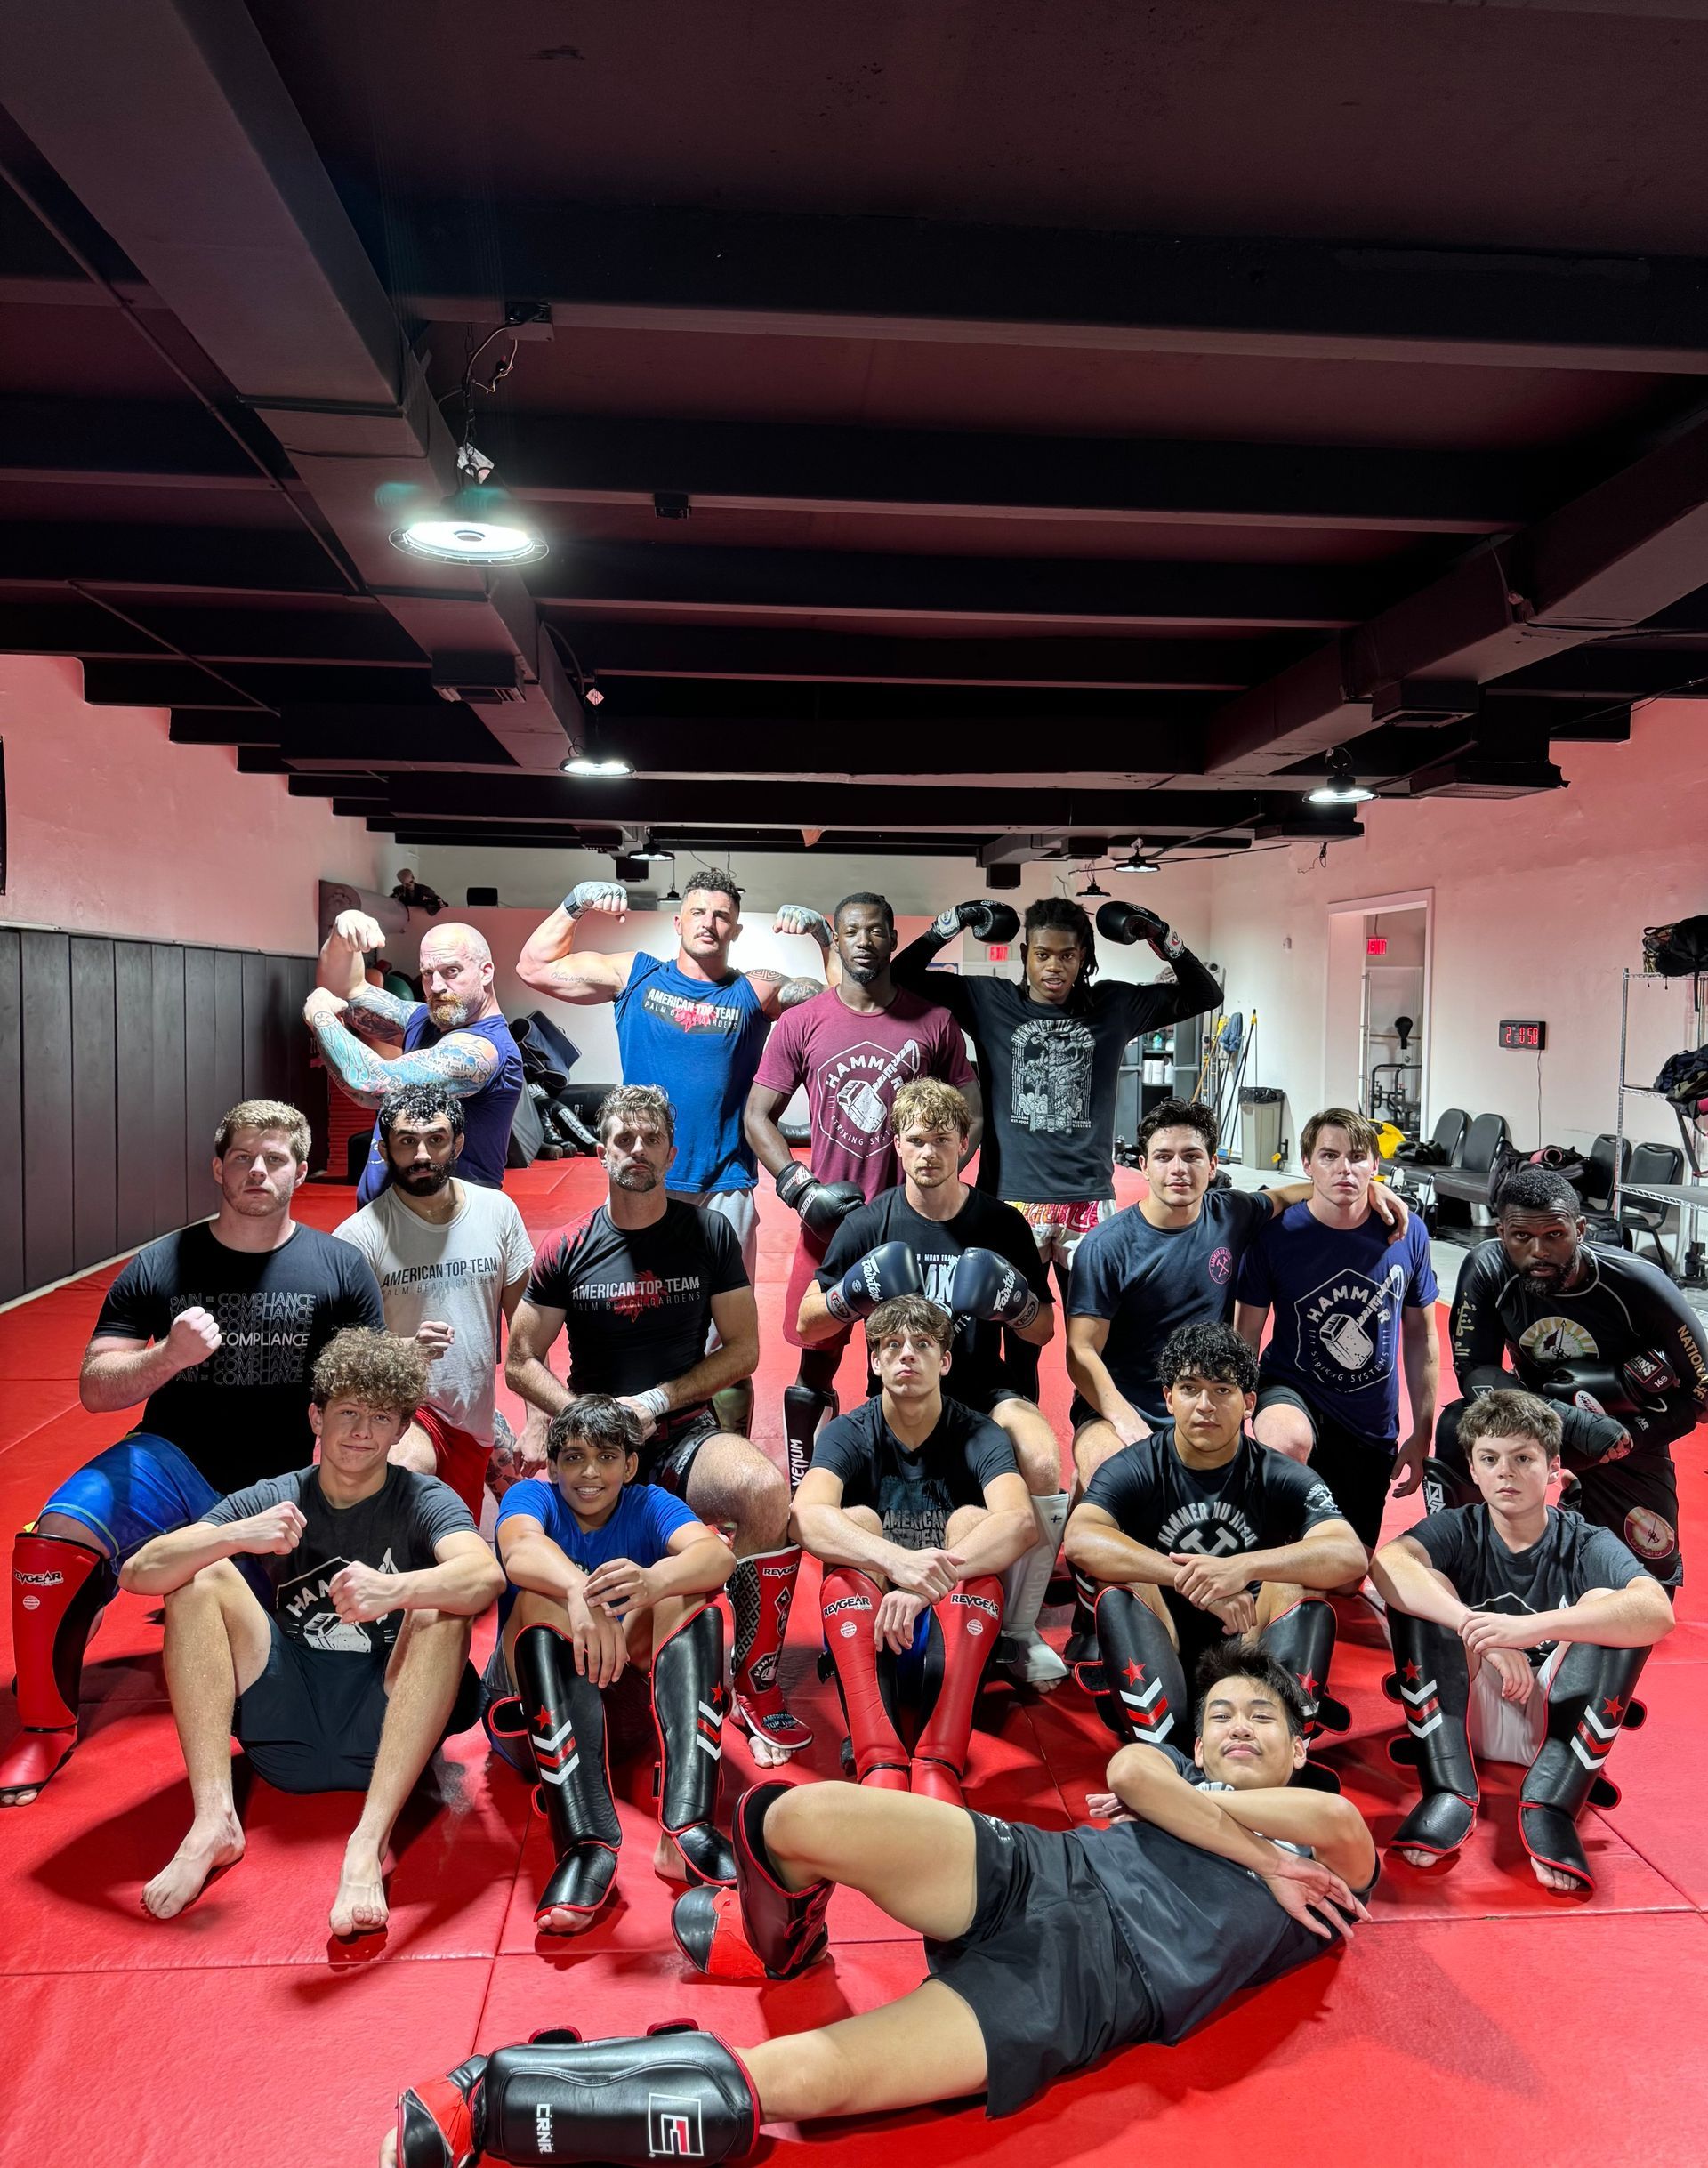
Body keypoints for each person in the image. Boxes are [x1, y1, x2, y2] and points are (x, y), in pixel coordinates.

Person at [387, 1648, 1375, 2166]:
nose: (1239, 1727)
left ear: (1298, 1745)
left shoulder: (1330, 1834)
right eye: (1223, 1714)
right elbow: (1128, 1765)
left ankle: (501, 2097)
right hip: (1043, 1868)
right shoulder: (1183, 1786)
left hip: (1087, 1990)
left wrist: (1226, 1827)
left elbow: (1298, 1816)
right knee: (792, 1814)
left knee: (784, 2090)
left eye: (1263, 1718)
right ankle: (773, 1934)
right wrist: (1240, 1844)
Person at [0, 1099, 383, 1807]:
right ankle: (44, 1724)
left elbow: (363, 1393)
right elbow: (95, 1387)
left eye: (274, 1158)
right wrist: (167, 1357)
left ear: (301, 1170)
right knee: (50, 1544)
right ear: (218, 1167)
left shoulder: (339, 1267)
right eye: (242, 1157)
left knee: (306, 1637)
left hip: (286, 1480)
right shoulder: (162, 1261)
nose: (257, 1170)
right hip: (172, 1458)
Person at [120, 1328, 503, 1933]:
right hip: (285, 1727)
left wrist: (397, 1589)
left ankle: (367, 1845)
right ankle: (213, 1817)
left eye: (380, 1416)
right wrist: (231, 1536)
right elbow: (138, 1572)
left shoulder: (421, 1496)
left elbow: (486, 1574)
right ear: (315, 1417)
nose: (361, 1430)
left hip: (385, 1734)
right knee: (196, 1576)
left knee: (441, 1600)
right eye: (347, 1411)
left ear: (402, 1429)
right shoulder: (279, 1495)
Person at [504, 1085, 807, 1761]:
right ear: (603, 1147)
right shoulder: (568, 1245)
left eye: (650, 1139)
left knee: (764, 1492)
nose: (637, 1150)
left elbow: (744, 1350)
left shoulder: (706, 1233)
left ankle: (751, 1681)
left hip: (681, 1432)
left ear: (672, 1150)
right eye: (623, 1139)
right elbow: (521, 1358)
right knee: (528, 1539)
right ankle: (540, 1671)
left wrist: (658, 1400)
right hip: (594, 1450)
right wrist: (586, 1418)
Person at [1062, 1098, 1410, 1660]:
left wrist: (1369, 1188)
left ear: (1213, 1162)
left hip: (1205, 1397)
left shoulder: (1230, 1214)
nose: (1179, 1169)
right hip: (1122, 1402)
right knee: (1106, 1471)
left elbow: (1290, 1193)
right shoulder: (1109, 1246)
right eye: (1165, 1157)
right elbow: (1080, 1353)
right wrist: (1121, 1416)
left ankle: (1254, 1597)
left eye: (1192, 1156)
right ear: (1142, 1166)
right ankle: (1096, 1613)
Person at [797, 1080, 1071, 1686]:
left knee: (1043, 1456)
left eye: (942, 1140)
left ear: (963, 1145)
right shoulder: (872, 1221)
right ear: (898, 1144)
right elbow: (805, 1320)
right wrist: (853, 1290)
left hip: (980, 1389)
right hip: (899, 1393)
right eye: (916, 1140)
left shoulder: (998, 1222)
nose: (928, 1153)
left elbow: (1045, 1329)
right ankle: (870, 1604)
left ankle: (1019, 1635)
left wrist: (1016, 1302)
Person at [1371, 1388, 1673, 1891]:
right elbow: (1386, 1565)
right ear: (1472, 1467)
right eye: (1490, 1459)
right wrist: (1484, 1636)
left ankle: (1553, 1806)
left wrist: (1530, 1629)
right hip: (1461, 1716)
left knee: (1609, 1604)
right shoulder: (1457, 1527)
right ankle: (1445, 1791)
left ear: (1553, 1468)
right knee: (1423, 1591)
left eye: (1523, 1458)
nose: (1505, 1472)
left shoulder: (1585, 1540)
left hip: (1558, 1725)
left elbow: (1656, 1611)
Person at [742, 891, 980, 1492]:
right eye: (853, 931)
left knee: (908, 1360)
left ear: (894, 939)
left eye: (876, 931)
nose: (865, 941)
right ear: (838, 941)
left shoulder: (934, 1022)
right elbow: (757, 1115)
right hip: (827, 1225)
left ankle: (907, 1483)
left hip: (910, 1223)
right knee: (814, 1364)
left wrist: (939, 1178)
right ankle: (807, 1486)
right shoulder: (802, 1021)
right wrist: (799, 1189)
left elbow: (972, 1112)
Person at [480, 1394, 738, 1930]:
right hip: (529, 1722)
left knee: (690, 1593)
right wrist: (579, 1593)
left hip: (624, 1713)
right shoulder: (534, 1497)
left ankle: (685, 1829)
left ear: (630, 1464)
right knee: (539, 1598)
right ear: (553, 1466)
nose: (589, 1472)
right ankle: (584, 1842)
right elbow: (520, 1551)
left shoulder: (648, 1503)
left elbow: (718, 1557)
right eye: (573, 1457)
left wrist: (653, 1581)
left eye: (604, 1456)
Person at [514, 866, 828, 1297]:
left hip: (725, 1186)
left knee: (728, 1328)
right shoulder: (636, 975)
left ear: (735, 929)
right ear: (679, 923)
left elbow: (838, 1006)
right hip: (641, 1176)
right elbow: (534, 967)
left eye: (721, 915)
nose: (708, 922)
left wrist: (823, 936)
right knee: (642, 1315)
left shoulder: (756, 990)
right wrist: (576, 903)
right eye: (697, 912)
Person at [890, 895, 1221, 1303]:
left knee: (1094, 1330)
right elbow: (901, 976)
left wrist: (1162, 937)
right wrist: (949, 924)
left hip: (1086, 1197)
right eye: (1043, 954)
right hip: (1010, 1199)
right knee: (1018, 1337)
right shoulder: (990, 1001)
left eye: (1067, 955)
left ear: (1083, 956)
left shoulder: (1114, 1005)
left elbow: (1205, 995)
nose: (1054, 966)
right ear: (1026, 953)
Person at [1065, 1323, 1367, 1751]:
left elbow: (1350, 1556)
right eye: (1189, 1388)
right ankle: (1165, 1754)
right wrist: (1197, 1583)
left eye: (1222, 1390)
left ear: (1248, 1403)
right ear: (1169, 1398)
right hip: (1160, 1648)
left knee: (1296, 1581)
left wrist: (1243, 1566)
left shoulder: (1279, 1474)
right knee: (1122, 1581)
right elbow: (1080, 1539)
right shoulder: (1134, 1466)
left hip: (1246, 1649)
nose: (1205, 1405)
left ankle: (1280, 1747)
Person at [792, 1294, 1037, 1801]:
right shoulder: (849, 1432)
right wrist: (898, 1562)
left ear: (945, 1362)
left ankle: (938, 1762)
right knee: (854, 1521)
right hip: (869, 1627)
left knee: (973, 1521)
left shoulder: (977, 1431)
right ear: (876, 1361)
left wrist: (927, 1586)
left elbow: (1019, 1524)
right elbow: (804, 1517)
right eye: (892, 1345)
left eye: (923, 1344)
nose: (907, 1354)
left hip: (954, 1630)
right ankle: (877, 1757)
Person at [1428, 1164, 1705, 1592]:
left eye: (1555, 1235)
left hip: (1624, 1427)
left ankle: (1578, 1500)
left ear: (1580, 1229)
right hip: (1534, 1424)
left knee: (1647, 1592)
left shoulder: (1637, 1284)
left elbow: (1703, 1394)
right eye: (1522, 1237)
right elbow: (1474, 1370)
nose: (1539, 1250)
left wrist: (1633, 1435)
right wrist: (1567, 1420)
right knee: (1457, 1425)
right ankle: (1462, 1562)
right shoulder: (1487, 1269)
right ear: (1502, 1232)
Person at [1232, 1107, 1439, 1555]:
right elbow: (1246, 1334)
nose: (1344, 1168)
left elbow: (1422, 1338)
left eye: (1357, 1157)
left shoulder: (1407, 1233)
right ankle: (1271, 1549)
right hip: (1293, 1389)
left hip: (1369, 1420)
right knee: (1285, 1441)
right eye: (1329, 1156)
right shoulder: (1276, 1234)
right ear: (1307, 1165)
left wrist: (1423, 1433)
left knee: (1348, 1572)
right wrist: (1238, 1410)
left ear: (1375, 1166)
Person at [334, 1085, 536, 1519]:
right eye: (407, 1141)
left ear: (457, 1143)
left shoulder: (497, 1212)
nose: (422, 1154)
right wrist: (401, 1350)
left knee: (448, 1540)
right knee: (408, 1481)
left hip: (473, 1416)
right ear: (385, 1150)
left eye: (436, 1139)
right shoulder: (357, 1237)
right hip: (399, 1409)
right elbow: (336, 1356)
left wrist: (537, 1416)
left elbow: (525, 1335)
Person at [307, 910, 523, 1205]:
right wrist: (342, 935)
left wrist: (321, 1017)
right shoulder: (424, 1019)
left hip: (447, 1228)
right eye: (427, 973)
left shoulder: (483, 1050)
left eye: (452, 971)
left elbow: (373, 1085)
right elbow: (347, 990)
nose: (436, 986)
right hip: (389, 1220)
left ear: (486, 972)